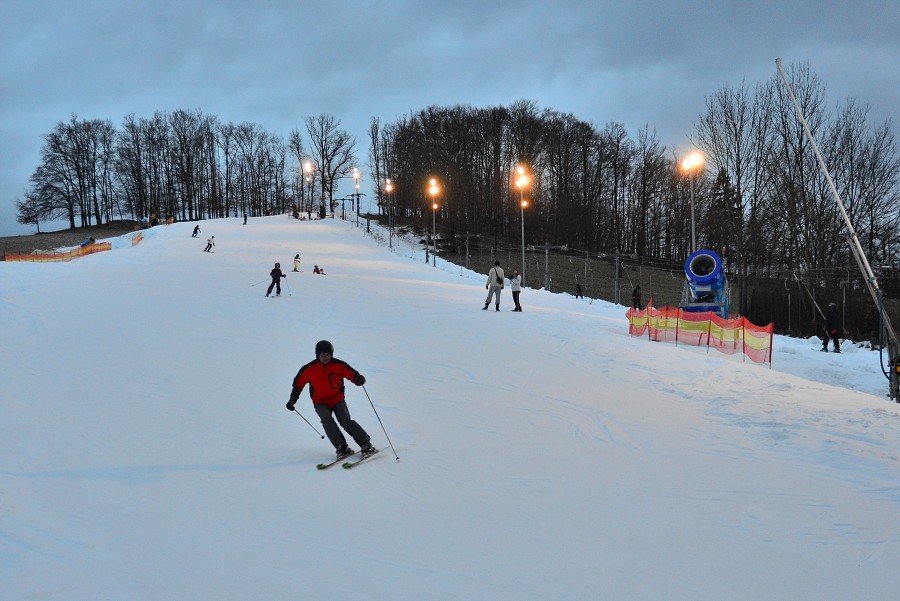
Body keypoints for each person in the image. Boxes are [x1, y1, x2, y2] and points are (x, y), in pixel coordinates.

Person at [286, 340, 375, 458]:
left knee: (345, 421)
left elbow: (351, 373)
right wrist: (292, 400)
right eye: (322, 355)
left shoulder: (338, 365)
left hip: (337, 399)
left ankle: (365, 444)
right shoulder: (309, 369)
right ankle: (341, 447)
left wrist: (357, 379)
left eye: (328, 354)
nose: (325, 357)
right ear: (317, 354)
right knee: (327, 420)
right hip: (320, 402)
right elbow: (298, 384)